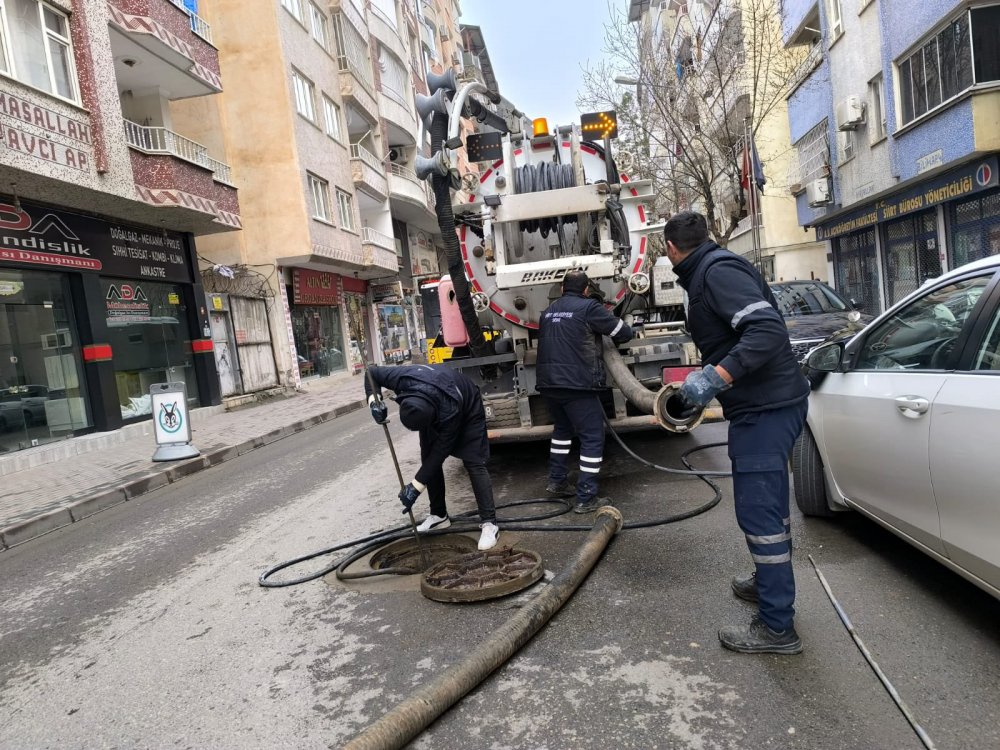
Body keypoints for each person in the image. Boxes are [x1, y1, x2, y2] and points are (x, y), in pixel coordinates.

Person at [664, 211, 810, 655]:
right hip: (761, 404)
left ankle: (777, 627)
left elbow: (765, 332)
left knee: (760, 515)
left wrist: (714, 379)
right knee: (766, 509)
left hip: (767, 408)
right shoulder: (709, 270)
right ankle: (768, 584)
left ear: (670, 248)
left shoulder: (716, 272)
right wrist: (711, 375)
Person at [365, 364, 500, 551]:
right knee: (427, 454)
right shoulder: (401, 377)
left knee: (474, 462)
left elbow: (439, 454)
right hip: (430, 399)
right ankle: (439, 515)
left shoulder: (450, 409)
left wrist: (415, 486)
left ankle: (489, 524)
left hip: (467, 406)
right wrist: (374, 401)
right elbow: (371, 373)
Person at [536, 269, 634, 513]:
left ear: (561, 289)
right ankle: (586, 497)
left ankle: (557, 481)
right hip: (577, 384)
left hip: (548, 384)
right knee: (592, 437)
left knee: (562, 430)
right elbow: (624, 332)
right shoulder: (589, 308)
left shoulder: (547, 313)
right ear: (587, 290)